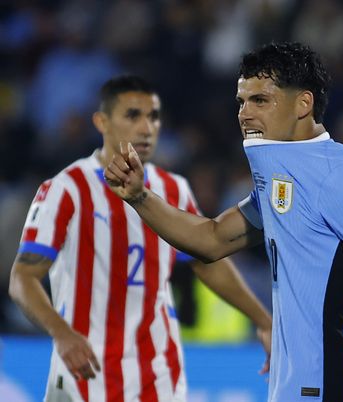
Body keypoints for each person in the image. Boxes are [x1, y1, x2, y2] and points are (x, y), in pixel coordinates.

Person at [103, 42, 343, 402]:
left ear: (303, 104)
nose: (244, 113)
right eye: (241, 101)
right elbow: (212, 239)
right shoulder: (280, 174)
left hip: (333, 388)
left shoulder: (340, 173)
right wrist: (139, 196)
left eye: (260, 101)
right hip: (291, 389)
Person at [8, 75, 272, 401]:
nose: (147, 127)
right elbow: (22, 277)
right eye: (133, 115)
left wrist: (264, 321)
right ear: (102, 121)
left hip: (158, 374)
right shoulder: (65, 189)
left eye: (154, 116)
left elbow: (208, 262)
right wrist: (61, 333)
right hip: (86, 372)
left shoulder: (174, 189)